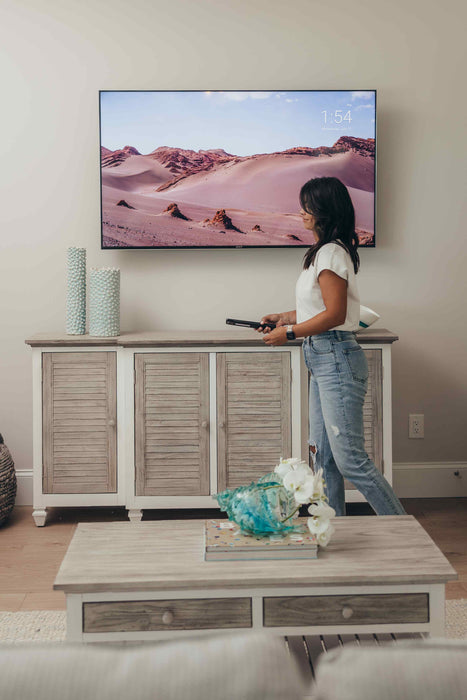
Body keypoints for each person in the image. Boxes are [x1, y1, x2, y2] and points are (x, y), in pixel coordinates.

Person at [258, 176, 406, 517]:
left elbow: (336, 314)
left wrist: (290, 333)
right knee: (323, 458)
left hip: (336, 355)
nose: (302, 213)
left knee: (350, 458)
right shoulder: (325, 252)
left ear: (323, 211)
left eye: (307, 206)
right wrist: (283, 317)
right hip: (322, 355)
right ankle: (336, 533)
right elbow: (320, 307)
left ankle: (406, 533)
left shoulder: (330, 252)